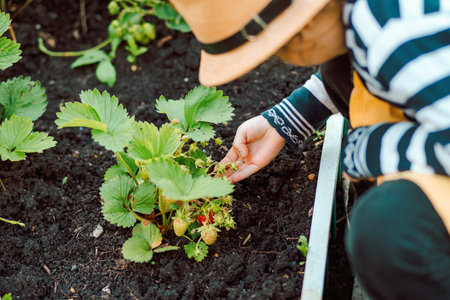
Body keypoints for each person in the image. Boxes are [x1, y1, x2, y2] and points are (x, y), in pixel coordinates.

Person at [169, 0, 450, 299]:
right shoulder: (367, 18)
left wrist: (366, 150)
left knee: (384, 230)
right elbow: (356, 72)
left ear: (302, 31)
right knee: (337, 65)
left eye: (275, 49)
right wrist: (291, 116)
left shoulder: (398, 34)